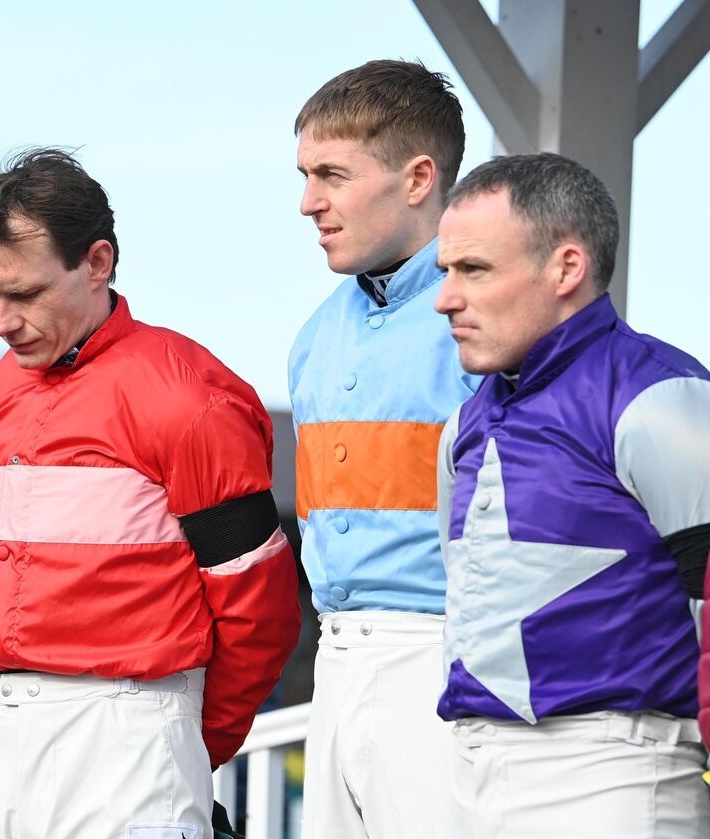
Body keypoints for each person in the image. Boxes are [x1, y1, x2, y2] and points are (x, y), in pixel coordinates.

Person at [0, 148, 301, 838]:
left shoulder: (190, 395)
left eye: (23, 294)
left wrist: (186, 745)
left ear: (98, 262)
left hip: (133, 729)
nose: (0, 321)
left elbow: (261, 611)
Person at [435, 152, 710, 838]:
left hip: (619, 777)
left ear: (566, 267)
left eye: (473, 270)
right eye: (446, 272)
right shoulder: (463, 424)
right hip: (471, 773)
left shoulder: (663, 398)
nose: (445, 298)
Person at [288, 60, 479, 838]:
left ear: (418, 178)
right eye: (305, 175)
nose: (308, 203)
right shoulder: (313, 337)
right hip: (333, 661)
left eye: (332, 174)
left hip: (443, 658)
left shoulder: (481, 325)